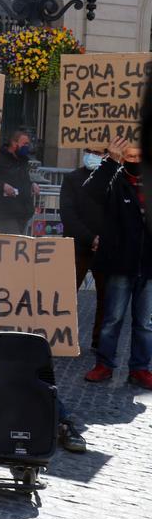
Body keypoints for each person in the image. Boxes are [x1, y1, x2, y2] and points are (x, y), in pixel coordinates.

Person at [83, 137, 152, 391]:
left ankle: (141, 369)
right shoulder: (114, 180)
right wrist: (110, 161)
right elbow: (90, 192)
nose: (134, 161)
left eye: (138, 157)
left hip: (148, 266)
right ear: (123, 158)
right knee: (112, 318)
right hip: (120, 264)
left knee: (145, 323)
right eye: (129, 157)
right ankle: (104, 365)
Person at [60, 147, 109, 348]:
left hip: (105, 248)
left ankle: (100, 342)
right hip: (77, 245)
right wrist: (91, 239)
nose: (93, 155)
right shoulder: (72, 178)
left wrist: (104, 239)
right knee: (65, 297)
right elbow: (68, 214)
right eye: (90, 151)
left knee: (106, 300)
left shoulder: (114, 179)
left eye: (98, 152)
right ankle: (60, 338)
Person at [0, 130, 37, 235]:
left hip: (24, 213)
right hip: (7, 213)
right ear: (14, 144)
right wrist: (3, 186)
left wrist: (32, 184)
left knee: (19, 247)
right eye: (25, 144)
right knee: (15, 244)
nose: (27, 147)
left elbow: (23, 180)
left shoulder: (23, 161)